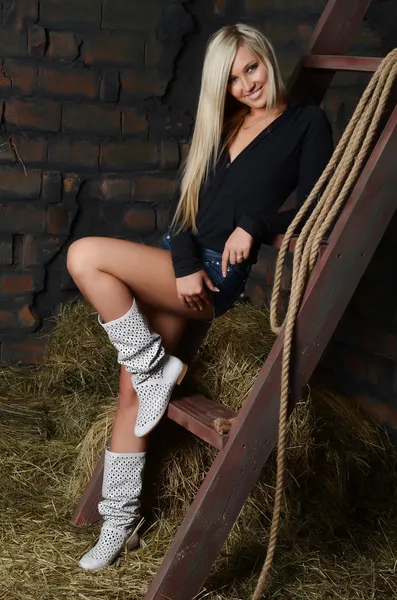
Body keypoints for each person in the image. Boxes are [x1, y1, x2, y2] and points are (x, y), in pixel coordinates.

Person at [67, 23, 334, 570]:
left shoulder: (306, 123)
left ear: (267, 59)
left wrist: (255, 225)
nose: (246, 84)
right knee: (131, 399)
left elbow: (315, 204)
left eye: (251, 68)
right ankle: (121, 525)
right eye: (233, 78)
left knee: (83, 255)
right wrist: (182, 267)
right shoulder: (226, 121)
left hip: (217, 275)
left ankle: (150, 366)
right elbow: (185, 207)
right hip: (179, 264)